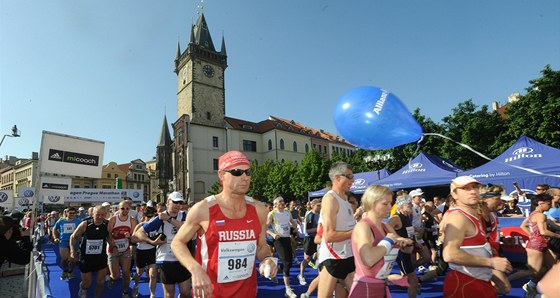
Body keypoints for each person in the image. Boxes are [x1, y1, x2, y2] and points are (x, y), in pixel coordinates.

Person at [170, 150, 278, 298]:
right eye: (237, 172)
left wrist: (267, 259)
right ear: (221, 175)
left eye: (248, 172)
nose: (245, 177)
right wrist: (195, 269)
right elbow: (177, 243)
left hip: (247, 292)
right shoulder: (203, 209)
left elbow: (261, 246)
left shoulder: (259, 210)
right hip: (210, 292)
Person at [442, 176, 512, 298]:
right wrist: (491, 262)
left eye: (475, 187)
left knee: (505, 288)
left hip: (478, 280)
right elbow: (449, 254)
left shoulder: (475, 215)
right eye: (465, 188)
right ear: (455, 195)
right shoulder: (458, 217)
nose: (473, 191)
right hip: (465, 283)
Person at [348, 185, 413, 298]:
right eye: (385, 204)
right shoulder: (363, 226)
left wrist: (405, 244)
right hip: (365, 288)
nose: (390, 207)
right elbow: (368, 259)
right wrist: (388, 241)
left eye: (390, 203)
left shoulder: (386, 227)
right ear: (372, 203)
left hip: (381, 286)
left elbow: (407, 248)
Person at [138, 191, 191, 298]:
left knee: (186, 293)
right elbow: (139, 232)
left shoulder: (185, 215)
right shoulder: (160, 218)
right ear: (168, 202)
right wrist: (152, 242)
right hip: (166, 259)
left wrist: (169, 219)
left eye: (180, 203)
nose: (178, 205)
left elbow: (187, 227)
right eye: (175, 202)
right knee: (169, 294)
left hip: (183, 258)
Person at [317, 161, 357, 298]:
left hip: (348, 255)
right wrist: (356, 232)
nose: (353, 180)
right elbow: (329, 235)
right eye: (349, 176)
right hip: (333, 257)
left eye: (352, 176)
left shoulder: (346, 198)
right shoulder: (330, 199)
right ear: (337, 178)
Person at [516, 193, 560, 297]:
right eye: (548, 204)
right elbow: (543, 231)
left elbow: (523, 226)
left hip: (540, 244)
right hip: (536, 246)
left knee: (550, 267)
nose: (550, 206)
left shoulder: (533, 214)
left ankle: (534, 287)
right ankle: (507, 280)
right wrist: (558, 236)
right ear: (541, 203)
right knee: (533, 271)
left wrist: (533, 236)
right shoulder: (541, 215)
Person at [70, 205, 113, 298]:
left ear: (106, 214)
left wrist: (114, 247)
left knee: (101, 282)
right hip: (86, 257)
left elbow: (109, 237)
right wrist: (73, 251)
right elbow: (73, 237)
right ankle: (82, 288)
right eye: (97, 214)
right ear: (92, 214)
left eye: (103, 214)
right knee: (87, 283)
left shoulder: (107, 224)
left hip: (100, 257)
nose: (100, 217)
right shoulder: (85, 224)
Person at [479, 185, 511, 295]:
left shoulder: (491, 215)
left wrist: (501, 239)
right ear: (484, 199)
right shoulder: (474, 216)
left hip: (487, 257)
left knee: (500, 287)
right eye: (498, 199)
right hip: (475, 260)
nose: (502, 202)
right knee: (504, 286)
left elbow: (487, 236)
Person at [387, 195, 421, 297]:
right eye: (409, 203)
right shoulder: (396, 218)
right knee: (413, 279)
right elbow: (386, 231)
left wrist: (415, 242)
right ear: (401, 205)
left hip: (407, 251)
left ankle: (384, 278)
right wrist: (399, 240)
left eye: (411, 202)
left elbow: (408, 232)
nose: (411, 204)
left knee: (412, 278)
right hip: (400, 252)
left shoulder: (407, 216)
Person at [266, 196, 298, 297]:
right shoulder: (272, 214)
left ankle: (273, 270)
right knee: (287, 263)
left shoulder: (287, 212)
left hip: (287, 238)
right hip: (278, 240)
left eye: (283, 201)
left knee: (289, 263)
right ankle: (288, 289)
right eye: (280, 202)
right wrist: (273, 234)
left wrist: (294, 226)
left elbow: (292, 222)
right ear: (275, 204)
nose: (282, 203)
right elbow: (265, 227)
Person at [107, 200, 138, 298]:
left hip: (125, 249)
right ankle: (112, 278)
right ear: (118, 208)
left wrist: (129, 236)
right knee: (116, 276)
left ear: (129, 209)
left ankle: (125, 292)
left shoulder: (132, 220)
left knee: (126, 272)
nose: (125, 210)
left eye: (127, 208)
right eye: (122, 208)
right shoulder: (113, 219)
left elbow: (134, 236)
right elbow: (108, 235)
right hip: (113, 249)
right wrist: (114, 246)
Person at [131, 206, 163, 298]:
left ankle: (152, 295)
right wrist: (145, 239)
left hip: (152, 251)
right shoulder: (140, 225)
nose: (150, 219)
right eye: (148, 216)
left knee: (153, 274)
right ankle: (136, 285)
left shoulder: (157, 225)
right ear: (144, 215)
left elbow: (161, 236)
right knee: (139, 273)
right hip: (141, 251)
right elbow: (133, 239)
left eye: (152, 216)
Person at [53, 206, 82, 280]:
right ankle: (65, 270)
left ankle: (70, 271)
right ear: (66, 213)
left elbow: (83, 230)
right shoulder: (61, 221)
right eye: (70, 213)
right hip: (63, 241)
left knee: (73, 259)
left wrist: (80, 236)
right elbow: (54, 229)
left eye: (74, 213)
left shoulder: (78, 221)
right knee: (64, 258)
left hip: (75, 242)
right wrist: (55, 237)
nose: (72, 214)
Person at [299, 198, 321, 285]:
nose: (319, 207)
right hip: (309, 239)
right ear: (313, 206)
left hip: (317, 238)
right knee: (307, 259)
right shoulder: (310, 215)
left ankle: (320, 278)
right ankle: (301, 275)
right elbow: (308, 230)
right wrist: (318, 229)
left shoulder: (320, 214)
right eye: (318, 205)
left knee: (319, 258)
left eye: (320, 205)